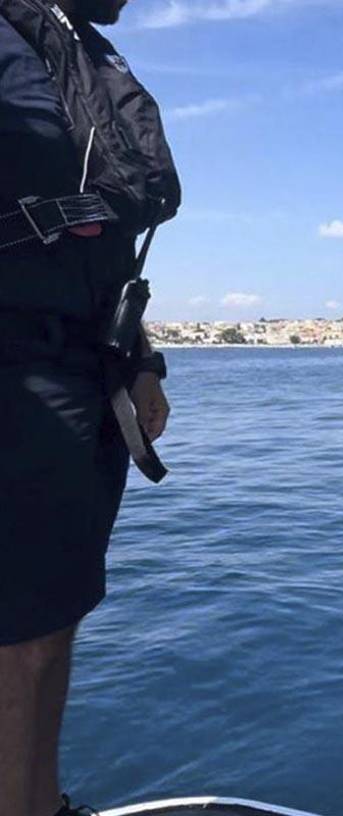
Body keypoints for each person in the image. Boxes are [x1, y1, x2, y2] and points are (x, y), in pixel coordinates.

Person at [0, 1, 180, 814]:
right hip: (18, 357)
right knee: (27, 622)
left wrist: (139, 357)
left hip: (84, 360)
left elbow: (90, 235)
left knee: (53, 610)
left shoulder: (75, 50)